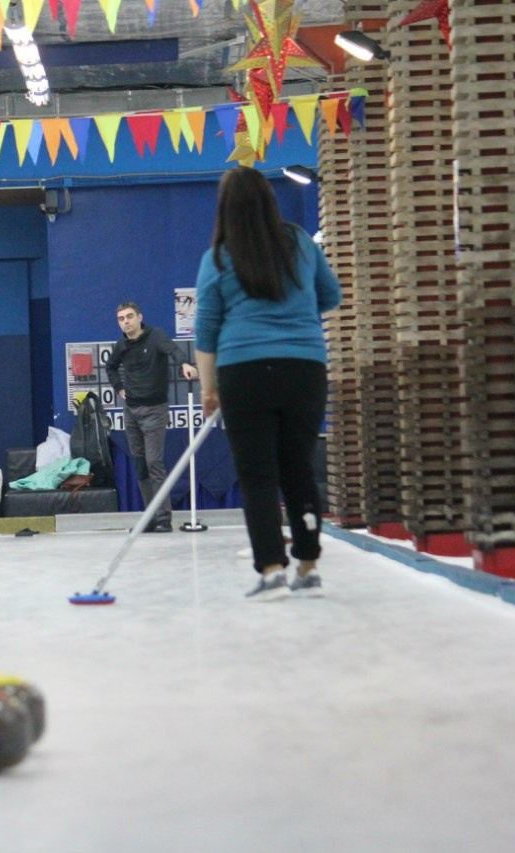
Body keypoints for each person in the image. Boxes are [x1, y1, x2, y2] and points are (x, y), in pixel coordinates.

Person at [193, 166, 342, 601]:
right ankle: (309, 567)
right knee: (299, 469)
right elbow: (331, 296)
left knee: (257, 475)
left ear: (226, 209)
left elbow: (206, 330)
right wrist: (296, 309)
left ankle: (273, 570)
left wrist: (208, 389)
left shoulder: (218, 258)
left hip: (244, 371)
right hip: (304, 368)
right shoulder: (300, 242)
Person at [104, 302, 199, 532]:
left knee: (153, 462)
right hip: (131, 411)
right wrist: (119, 388)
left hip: (155, 410)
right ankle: (151, 516)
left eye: (129, 317)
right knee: (140, 465)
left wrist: (184, 363)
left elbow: (173, 350)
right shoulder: (121, 345)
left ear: (139, 317)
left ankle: (164, 518)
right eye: (121, 319)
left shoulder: (156, 336)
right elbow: (110, 367)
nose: (126, 322)